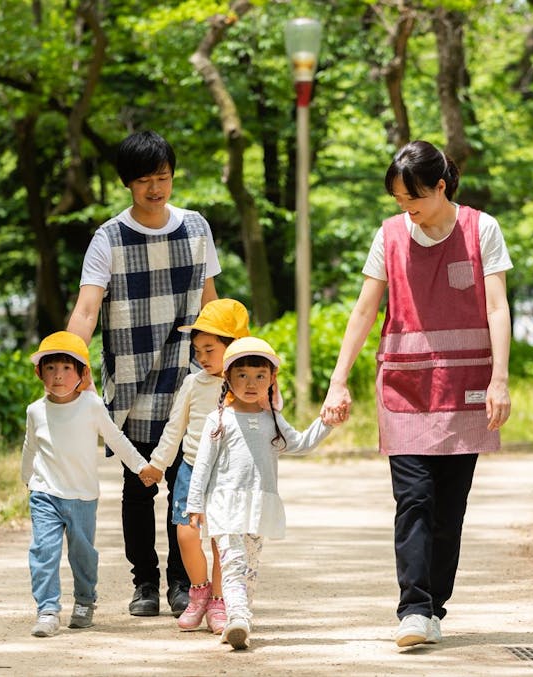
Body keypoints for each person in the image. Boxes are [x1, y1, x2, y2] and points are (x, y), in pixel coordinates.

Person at [319, 140, 513, 648]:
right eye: (400, 200)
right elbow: (364, 311)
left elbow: (497, 308)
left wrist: (500, 379)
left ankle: (435, 607)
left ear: (441, 186)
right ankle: (413, 608)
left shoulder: (481, 229)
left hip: (467, 387)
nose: (407, 209)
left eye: (414, 199)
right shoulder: (388, 237)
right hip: (404, 388)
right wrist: (338, 380)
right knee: (414, 500)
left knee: (450, 509)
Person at [66, 130, 221, 617]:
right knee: (139, 486)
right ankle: (144, 584)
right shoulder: (108, 238)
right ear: (127, 184)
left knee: (187, 484)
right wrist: (74, 361)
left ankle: (181, 584)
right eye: (144, 180)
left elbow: (210, 303)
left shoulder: (196, 227)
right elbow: (87, 308)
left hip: (188, 377)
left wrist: (230, 366)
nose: (156, 188)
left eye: (163, 177)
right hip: (132, 380)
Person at [186, 337, 333, 650]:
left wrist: (327, 422)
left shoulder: (273, 421)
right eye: (242, 375)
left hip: (258, 506)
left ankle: (241, 616)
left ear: (271, 380)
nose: (251, 383)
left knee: (249, 568)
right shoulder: (219, 420)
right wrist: (195, 504)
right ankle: (236, 615)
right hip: (225, 504)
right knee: (232, 562)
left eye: (259, 377)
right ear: (228, 379)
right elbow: (202, 466)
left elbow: (302, 444)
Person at [21, 331, 156, 638]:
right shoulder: (35, 410)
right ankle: (48, 609)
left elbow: (116, 438)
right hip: (45, 493)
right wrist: (27, 477)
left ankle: (84, 601)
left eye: (67, 368)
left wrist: (140, 467)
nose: (58, 376)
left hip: (82, 496)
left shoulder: (92, 406)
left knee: (82, 553)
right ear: (38, 372)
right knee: (43, 551)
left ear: (82, 373)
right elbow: (30, 446)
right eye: (51, 368)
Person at [143, 298, 250, 635]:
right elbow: (175, 427)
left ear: (232, 346)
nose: (202, 358)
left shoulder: (245, 384)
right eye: (198, 351)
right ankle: (199, 591)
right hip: (191, 468)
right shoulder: (193, 384)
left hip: (227, 474)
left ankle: (219, 600)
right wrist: (158, 464)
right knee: (186, 533)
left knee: (221, 540)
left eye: (209, 349)